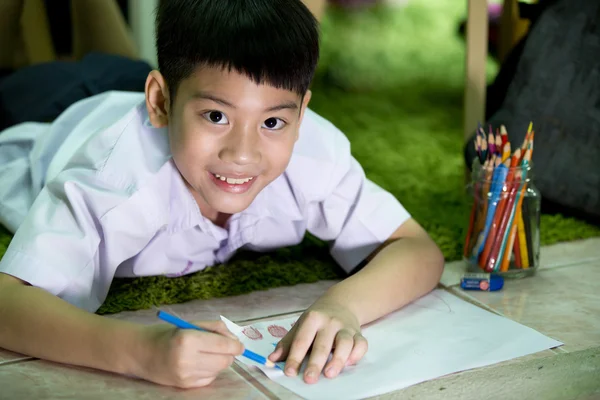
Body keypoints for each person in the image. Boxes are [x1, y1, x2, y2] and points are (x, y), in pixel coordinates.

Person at [0, 0, 444, 390]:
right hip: (56, 108)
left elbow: (417, 250)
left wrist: (343, 306)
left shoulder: (312, 155)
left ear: (302, 113)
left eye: (272, 122)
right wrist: (139, 352)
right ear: (159, 103)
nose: (243, 153)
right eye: (217, 116)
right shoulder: (116, 182)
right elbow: (7, 302)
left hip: (161, 89)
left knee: (153, 69)